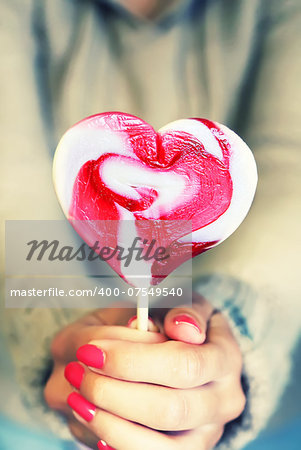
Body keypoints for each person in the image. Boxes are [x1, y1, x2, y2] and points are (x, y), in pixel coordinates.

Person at [0, 0, 300, 449]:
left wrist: (230, 326)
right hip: (29, 406)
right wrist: (62, 332)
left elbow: (290, 169)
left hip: (254, 412)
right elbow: (11, 171)